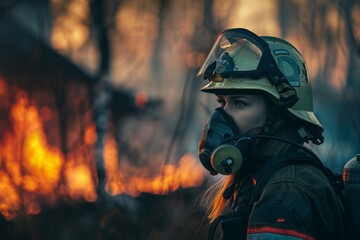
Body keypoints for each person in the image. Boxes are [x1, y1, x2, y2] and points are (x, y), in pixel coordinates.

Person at [196, 28, 357, 240]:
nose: (221, 117)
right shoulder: (263, 174)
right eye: (222, 102)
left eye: (240, 103)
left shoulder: (286, 190)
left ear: (278, 113)